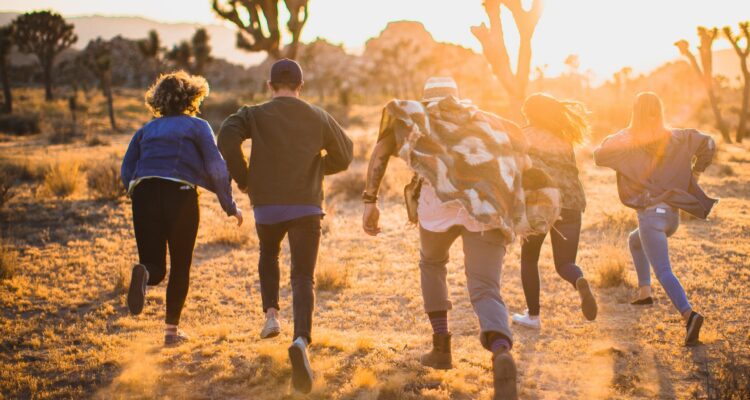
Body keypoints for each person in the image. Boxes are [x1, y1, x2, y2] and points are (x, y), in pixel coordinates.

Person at [363, 77, 533, 400]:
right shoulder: (484, 121)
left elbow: (382, 149)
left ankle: (441, 348)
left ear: (426, 100)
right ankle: (500, 350)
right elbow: (521, 147)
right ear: (457, 97)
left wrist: (370, 200)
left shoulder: (419, 116)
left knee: (432, 264)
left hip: (436, 209)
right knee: (485, 286)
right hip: (484, 208)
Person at [217, 59, 353, 394]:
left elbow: (226, 137)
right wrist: (316, 167)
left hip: (267, 206)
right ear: (300, 86)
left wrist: (245, 178)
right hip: (306, 204)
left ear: (270, 85)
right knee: (303, 275)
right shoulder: (318, 115)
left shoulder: (253, 114)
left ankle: (271, 317)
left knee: (269, 254)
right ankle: (301, 340)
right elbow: (346, 153)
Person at [121, 71, 243, 346]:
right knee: (180, 265)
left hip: (144, 193)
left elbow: (127, 168)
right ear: (191, 97)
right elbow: (216, 166)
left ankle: (144, 273)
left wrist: (136, 192)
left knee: (154, 266)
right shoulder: (198, 126)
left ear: (158, 100)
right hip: (180, 195)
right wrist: (230, 206)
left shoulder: (145, 130)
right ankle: (171, 332)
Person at [594, 92, 717, 346]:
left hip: (651, 216)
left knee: (663, 270)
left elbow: (600, 153)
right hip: (672, 217)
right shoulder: (676, 136)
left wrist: (625, 133)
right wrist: (696, 172)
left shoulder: (629, 140)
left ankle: (689, 315)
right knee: (635, 241)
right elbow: (709, 143)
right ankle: (645, 292)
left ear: (635, 112)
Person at [512, 93, 597, 330]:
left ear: (529, 114)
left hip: (540, 203)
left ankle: (533, 317)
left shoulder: (524, 135)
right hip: (571, 201)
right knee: (565, 263)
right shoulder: (564, 138)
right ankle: (578, 279)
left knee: (529, 258)